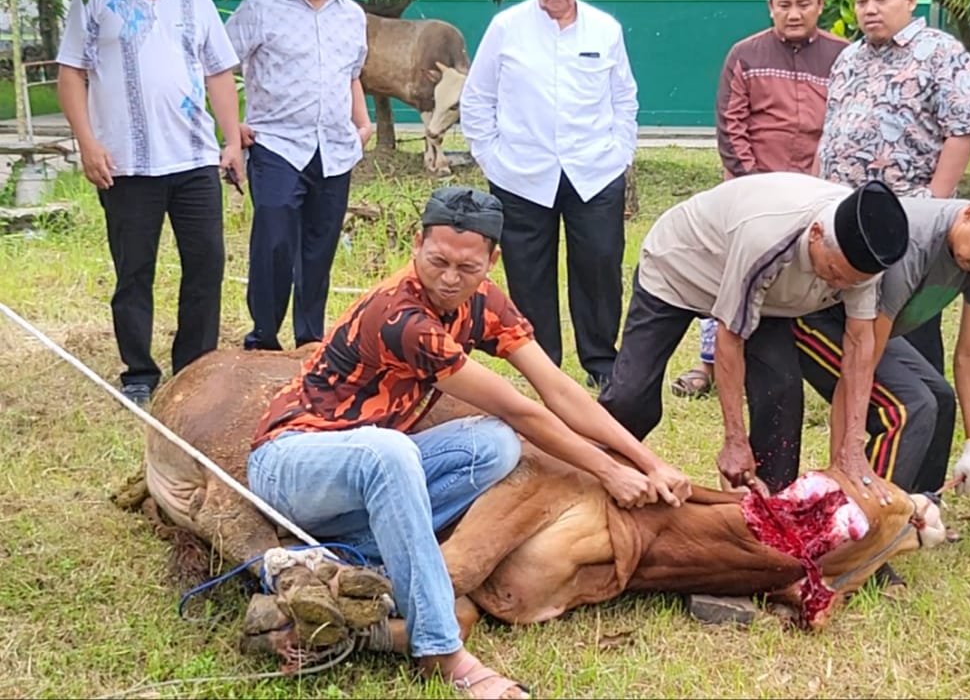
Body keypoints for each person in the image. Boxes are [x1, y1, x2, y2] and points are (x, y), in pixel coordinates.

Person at [248, 187, 690, 699]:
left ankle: (348, 558)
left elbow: (559, 389)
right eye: (437, 261)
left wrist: (646, 460)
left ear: (491, 260)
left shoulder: (483, 302)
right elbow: (521, 407)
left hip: (362, 470)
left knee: (493, 445)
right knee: (391, 451)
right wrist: (608, 471)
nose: (450, 278)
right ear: (417, 244)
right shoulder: (402, 319)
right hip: (292, 465)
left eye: (467, 267)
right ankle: (442, 651)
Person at [598, 172, 910, 501]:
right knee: (632, 397)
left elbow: (860, 345)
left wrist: (853, 446)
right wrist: (734, 439)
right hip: (681, 267)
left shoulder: (858, 257)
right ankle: (594, 473)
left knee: (781, 392)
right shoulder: (769, 237)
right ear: (816, 234)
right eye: (834, 274)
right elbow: (729, 338)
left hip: (769, 298)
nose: (839, 287)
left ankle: (769, 507)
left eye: (850, 282)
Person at [56, 0, 243, 407]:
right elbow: (71, 72)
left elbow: (218, 73)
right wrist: (87, 143)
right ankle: (139, 370)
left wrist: (231, 141)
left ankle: (195, 366)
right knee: (133, 269)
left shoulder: (196, 0)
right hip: (124, 164)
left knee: (206, 263)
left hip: (194, 159)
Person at [460, 0, 639, 391]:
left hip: (594, 172)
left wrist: (620, 155)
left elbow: (625, 99)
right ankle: (543, 366)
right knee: (528, 271)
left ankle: (601, 360)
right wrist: (493, 160)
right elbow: (477, 99)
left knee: (599, 266)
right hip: (521, 175)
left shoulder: (606, 30)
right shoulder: (506, 28)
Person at [674, 0, 849, 399]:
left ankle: (822, 370)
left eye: (803, 4)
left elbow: (844, 126)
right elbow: (731, 127)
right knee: (731, 275)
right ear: (770, 7)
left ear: (820, 5)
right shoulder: (745, 54)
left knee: (823, 276)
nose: (794, 14)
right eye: (784, 5)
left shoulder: (843, 56)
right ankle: (709, 363)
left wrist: (819, 189)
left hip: (821, 194)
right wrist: (757, 189)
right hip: (750, 192)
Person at [815, 0, 970, 375]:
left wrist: (934, 203)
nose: (869, 9)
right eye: (860, 1)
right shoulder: (849, 58)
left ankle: (922, 411)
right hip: (843, 215)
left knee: (910, 334)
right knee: (851, 317)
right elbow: (834, 129)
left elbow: (963, 129)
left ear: (910, 0)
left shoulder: (941, 53)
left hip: (909, 221)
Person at [225, 0, 373, 352]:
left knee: (319, 245)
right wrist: (233, 128)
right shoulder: (261, 8)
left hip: (334, 148)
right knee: (274, 241)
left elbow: (351, 74)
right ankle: (264, 337)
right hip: (275, 144)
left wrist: (362, 125)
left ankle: (310, 338)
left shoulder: (352, 15)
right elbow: (216, 66)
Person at [795, 188, 970, 498]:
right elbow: (860, 364)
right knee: (909, 404)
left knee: (940, 398)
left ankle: (920, 509)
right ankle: (867, 514)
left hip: (870, 327)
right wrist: (844, 460)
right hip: (816, 315)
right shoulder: (912, 243)